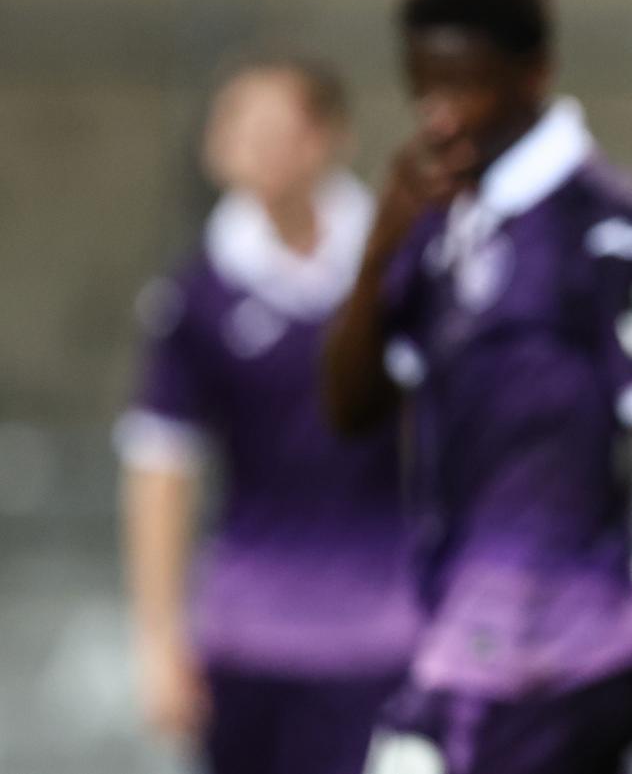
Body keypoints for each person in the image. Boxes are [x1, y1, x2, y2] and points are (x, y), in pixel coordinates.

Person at [322, 0, 632, 774]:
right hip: (446, 649)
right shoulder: (433, 219)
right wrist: (376, 250)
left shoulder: (606, 225)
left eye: (462, 89)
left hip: (568, 660)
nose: (437, 118)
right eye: (422, 90)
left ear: (534, 72)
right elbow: (351, 407)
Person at [118, 58, 418, 774]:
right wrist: (159, 641)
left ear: (330, 138)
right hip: (247, 638)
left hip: (390, 632)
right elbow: (161, 465)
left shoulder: (405, 268)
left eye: (276, 127)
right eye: (237, 126)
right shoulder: (195, 295)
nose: (254, 144)